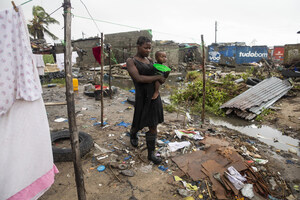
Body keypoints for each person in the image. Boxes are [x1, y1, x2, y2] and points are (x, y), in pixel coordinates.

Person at [126, 36, 166, 164]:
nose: (148, 51)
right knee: (138, 122)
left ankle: (151, 154)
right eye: (145, 48)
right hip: (141, 97)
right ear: (138, 46)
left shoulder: (150, 60)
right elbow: (138, 78)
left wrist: (163, 75)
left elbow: (161, 79)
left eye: (150, 48)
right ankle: (133, 134)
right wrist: (157, 77)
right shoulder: (131, 61)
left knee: (153, 125)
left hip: (154, 96)